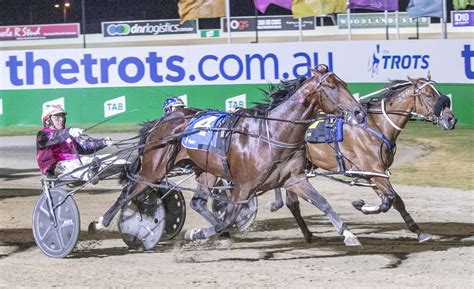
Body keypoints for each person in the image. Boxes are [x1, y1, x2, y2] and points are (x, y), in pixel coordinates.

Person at [36, 105, 115, 181]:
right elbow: (54, 137)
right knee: (76, 165)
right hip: (56, 168)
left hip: (76, 162)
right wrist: (69, 132)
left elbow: (84, 146)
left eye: (63, 116)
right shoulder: (43, 135)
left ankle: (124, 166)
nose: (61, 119)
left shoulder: (67, 134)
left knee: (108, 158)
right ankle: (89, 173)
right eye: (57, 117)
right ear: (47, 120)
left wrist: (103, 142)